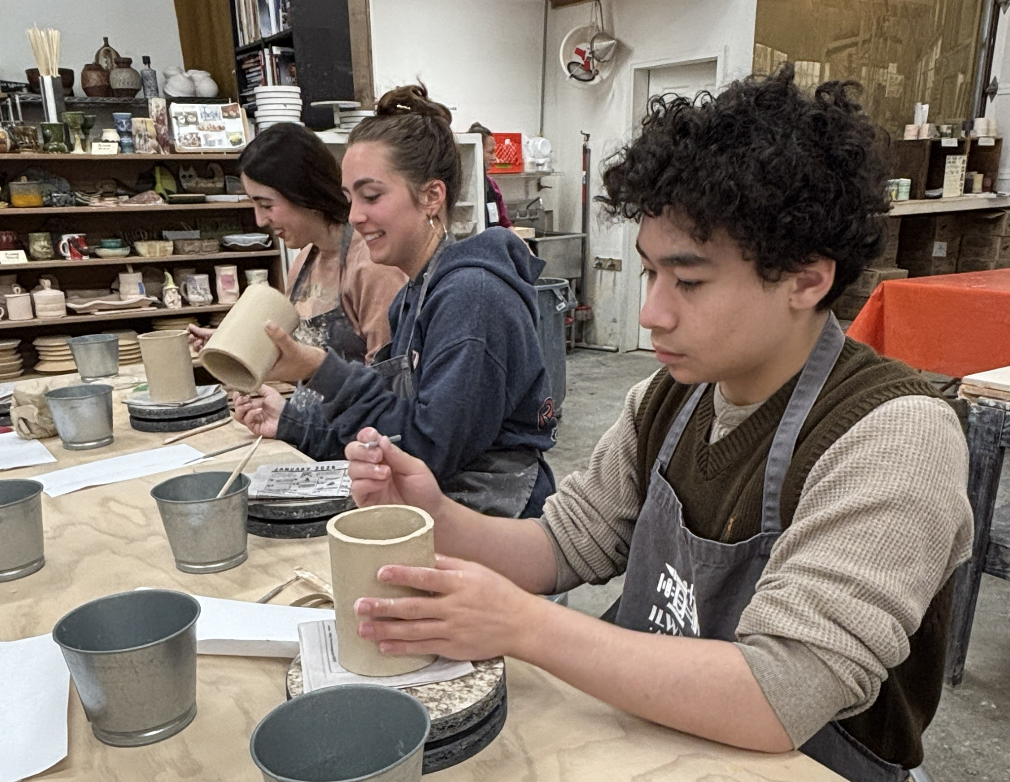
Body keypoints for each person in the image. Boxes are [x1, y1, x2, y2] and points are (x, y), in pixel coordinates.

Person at [341, 65, 974, 781]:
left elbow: (780, 696)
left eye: (691, 281)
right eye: (649, 274)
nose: (651, 314)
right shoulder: (669, 399)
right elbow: (565, 543)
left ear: (807, 278)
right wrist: (437, 515)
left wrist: (524, 625)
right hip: (653, 740)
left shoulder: (895, 436)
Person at [234, 85, 558, 518]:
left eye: (372, 197)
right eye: (350, 200)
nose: (354, 217)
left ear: (431, 196)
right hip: (442, 514)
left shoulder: (472, 300)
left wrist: (321, 371)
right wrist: (292, 423)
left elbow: (424, 454)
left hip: (496, 531)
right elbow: (388, 435)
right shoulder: (412, 295)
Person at [189, 122, 406, 368]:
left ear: (305, 194)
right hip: (309, 407)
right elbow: (294, 351)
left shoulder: (372, 267)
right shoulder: (305, 261)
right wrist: (232, 343)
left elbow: (386, 385)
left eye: (267, 205)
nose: (260, 220)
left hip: (358, 407)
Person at [468, 122, 513, 229]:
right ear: (476, 150)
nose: (494, 157)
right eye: (490, 152)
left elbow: (504, 222)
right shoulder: (464, 185)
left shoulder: (491, 184)